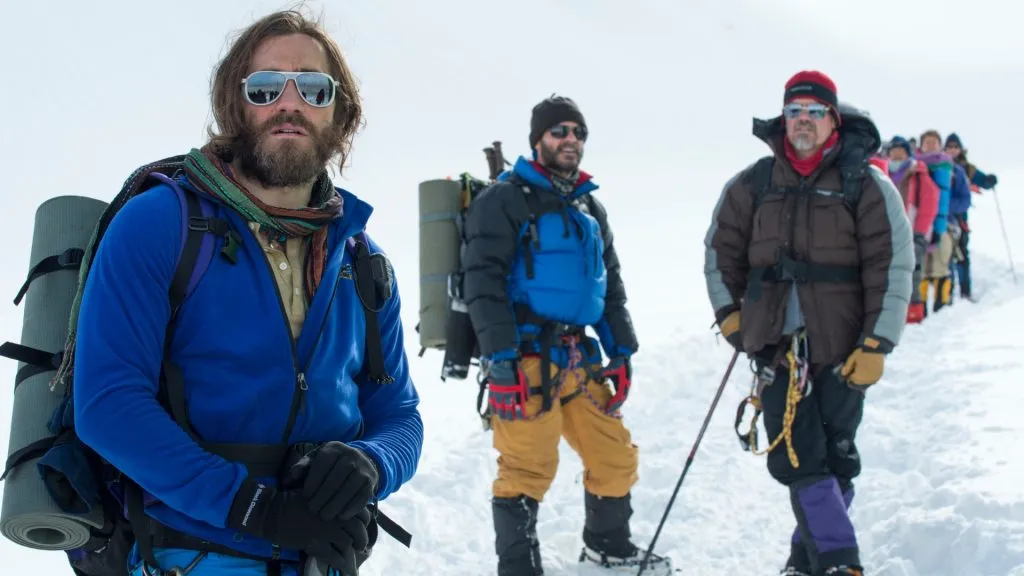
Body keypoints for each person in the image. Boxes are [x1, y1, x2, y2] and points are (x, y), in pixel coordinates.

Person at [72, 10, 423, 576]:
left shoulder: (363, 259)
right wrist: (257, 509)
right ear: (236, 106)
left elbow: (399, 412)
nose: (290, 102)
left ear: (342, 112)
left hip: (323, 560)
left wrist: (370, 463)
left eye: (313, 87)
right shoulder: (159, 224)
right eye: (265, 87)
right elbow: (108, 405)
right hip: (189, 555)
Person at [703, 71, 914, 576]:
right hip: (776, 346)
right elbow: (719, 253)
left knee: (836, 456)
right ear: (784, 117)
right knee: (796, 456)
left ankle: (804, 561)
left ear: (833, 120)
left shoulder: (866, 184)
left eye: (814, 112)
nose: (803, 120)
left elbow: (893, 264)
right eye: (795, 110)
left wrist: (877, 343)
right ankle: (841, 561)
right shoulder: (753, 182)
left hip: (844, 348)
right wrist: (730, 314)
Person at [460, 95, 672, 575]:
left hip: (580, 356)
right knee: (526, 467)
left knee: (614, 456)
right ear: (538, 140)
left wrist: (622, 350)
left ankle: (607, 547)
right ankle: (518, 568)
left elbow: (610, 285)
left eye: (578, 133)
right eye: (560, 132)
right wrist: (502, 358)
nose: (570, 140)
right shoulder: (505, 200)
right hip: (526, 356)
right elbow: (483, 284)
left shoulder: (588, 204)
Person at [886, 135, 940, 323]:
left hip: (912, 231)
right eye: (894, 150)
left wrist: (919, 233)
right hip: (888, 232)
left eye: (901, 150)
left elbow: (929, 204)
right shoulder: (882, 173)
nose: (897, 153)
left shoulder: (918, 174)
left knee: (912, 272)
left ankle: (914, 311)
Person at [944, 133, 998, 300]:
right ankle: (947, 293)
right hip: (941, 216)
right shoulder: (939, 164)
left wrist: (989, 180)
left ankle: (965, 291)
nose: (953, 150)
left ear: (960, 149)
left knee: (961, 253)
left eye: (955, 147)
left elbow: (982, 180)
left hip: (960, 216)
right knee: (945, 256)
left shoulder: (967, 168)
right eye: (950, 147)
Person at [915, 130, 956, 313]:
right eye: (927, 143)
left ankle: (942, 306)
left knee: (941, 264)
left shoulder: (951, 169)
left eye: (934, 143)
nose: (930, 146)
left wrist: (949, 210)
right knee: (921, 267)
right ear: (920, 146)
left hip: (945, 223)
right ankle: (920, 306)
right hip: (920, 223)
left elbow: (961, 196)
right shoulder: (913, 168)